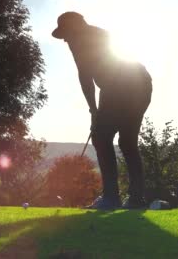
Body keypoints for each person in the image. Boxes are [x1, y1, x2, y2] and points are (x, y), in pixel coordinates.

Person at [52, 11, 152, 209]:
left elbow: (86, 78)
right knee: (127, 142)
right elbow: (106, 80)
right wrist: (96, 110)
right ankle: (135, 199)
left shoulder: (78, 41)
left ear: (74, 27)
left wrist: (94, 110)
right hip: (141, 84)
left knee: (101, 138)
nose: (64, 40)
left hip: (126, 86)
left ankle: (111, 198)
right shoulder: (98, 34)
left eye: (65, 33)